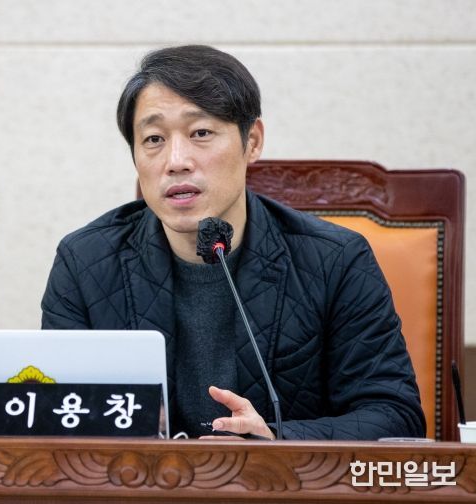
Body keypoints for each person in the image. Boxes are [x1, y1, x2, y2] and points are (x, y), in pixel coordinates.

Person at [41, 45, 425, 440]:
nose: (176, 161)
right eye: (153, 139)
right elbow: (54, 418)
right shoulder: (84, 264)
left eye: (201, 133)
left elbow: (395, 415)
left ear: (252, 141)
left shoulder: (336, 261)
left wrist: (276, 439)